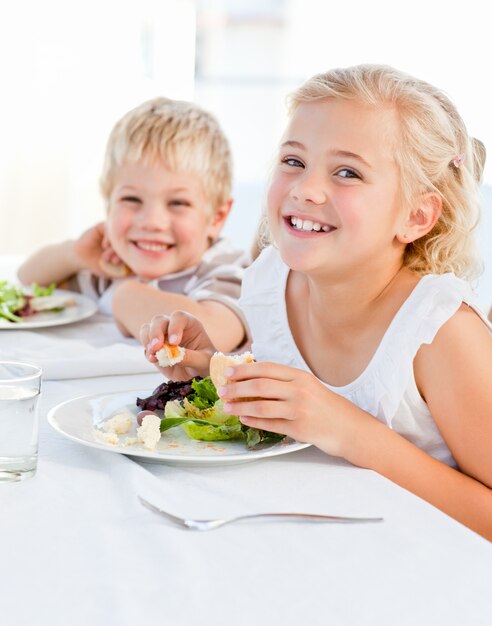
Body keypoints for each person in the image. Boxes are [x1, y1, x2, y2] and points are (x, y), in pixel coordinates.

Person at [140, 64, 492, 540]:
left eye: (347, 172)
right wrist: (215, 369)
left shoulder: (441, 334)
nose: (305, 188)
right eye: (293, 161)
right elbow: (298, 409)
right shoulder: (273, 282)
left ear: (416, 216)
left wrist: (350, 432)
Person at [17, 97, 250, 351]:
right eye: (131, 199)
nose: (151, 222)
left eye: (178, 203)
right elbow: (28, 279)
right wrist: (76, 255)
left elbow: (214, 336)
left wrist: (125, 297)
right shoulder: (116, 265)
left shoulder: (226, 269)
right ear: (108, 204)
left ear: (217, 217)